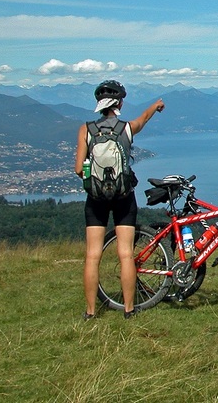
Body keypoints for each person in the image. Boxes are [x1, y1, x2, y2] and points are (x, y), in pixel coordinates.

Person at [75, 80, 165, 320]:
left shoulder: (86, 129)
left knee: (92, 255)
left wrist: (95, 180)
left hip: (96, 199)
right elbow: (143, 119)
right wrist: (155, 106)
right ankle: (128, 309)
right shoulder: (126, 128)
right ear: (119, 104)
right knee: (125, 254)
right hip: (124, 196)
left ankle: (90, 312)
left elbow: (78, 169)